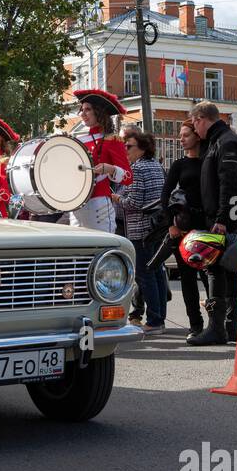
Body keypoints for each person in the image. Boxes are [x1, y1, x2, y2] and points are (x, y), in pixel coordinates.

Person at [187, 101, 237, 346]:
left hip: (223, 219)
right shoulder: (219, 141)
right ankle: (228, 327)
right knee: (225, 269)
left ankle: (218, 328)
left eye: (194, 123)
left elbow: (230, 182)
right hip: (221, 217)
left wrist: (222, 219)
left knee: (216, 268)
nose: (195, 129)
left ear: (202, 118)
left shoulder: (226, 142)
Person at [114, 130, 168, 333]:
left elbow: (134, 202)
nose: (125, 150)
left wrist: (117, 199)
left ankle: (154, 321)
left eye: (129, 146)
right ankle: (159, 317)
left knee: (145, 275)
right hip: (157, 228)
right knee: (157, 273)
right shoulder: (156, 165)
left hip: (140, 229)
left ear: (142, 148)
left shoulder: (136, 169)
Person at [164, 120, 208, 339]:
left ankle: (216, 324)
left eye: (185, 135)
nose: (181, 139)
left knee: (211, 277)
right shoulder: (179, 165)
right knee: (188, 279)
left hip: (208, 227)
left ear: (197, 136)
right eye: (180, 135)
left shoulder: (210, 161)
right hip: (183, 229)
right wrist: (171, 224)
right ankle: (195, 324)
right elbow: (165, 196)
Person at [71, 89, 131, 232]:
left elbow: (128, 177)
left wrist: (110, 169)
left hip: (99, 205)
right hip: (76, 206)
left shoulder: (112, 140)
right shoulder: (77, 142)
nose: (82, 114)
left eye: (88, 109)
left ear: (99, 112)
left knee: (101, 249)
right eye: (82, 110)